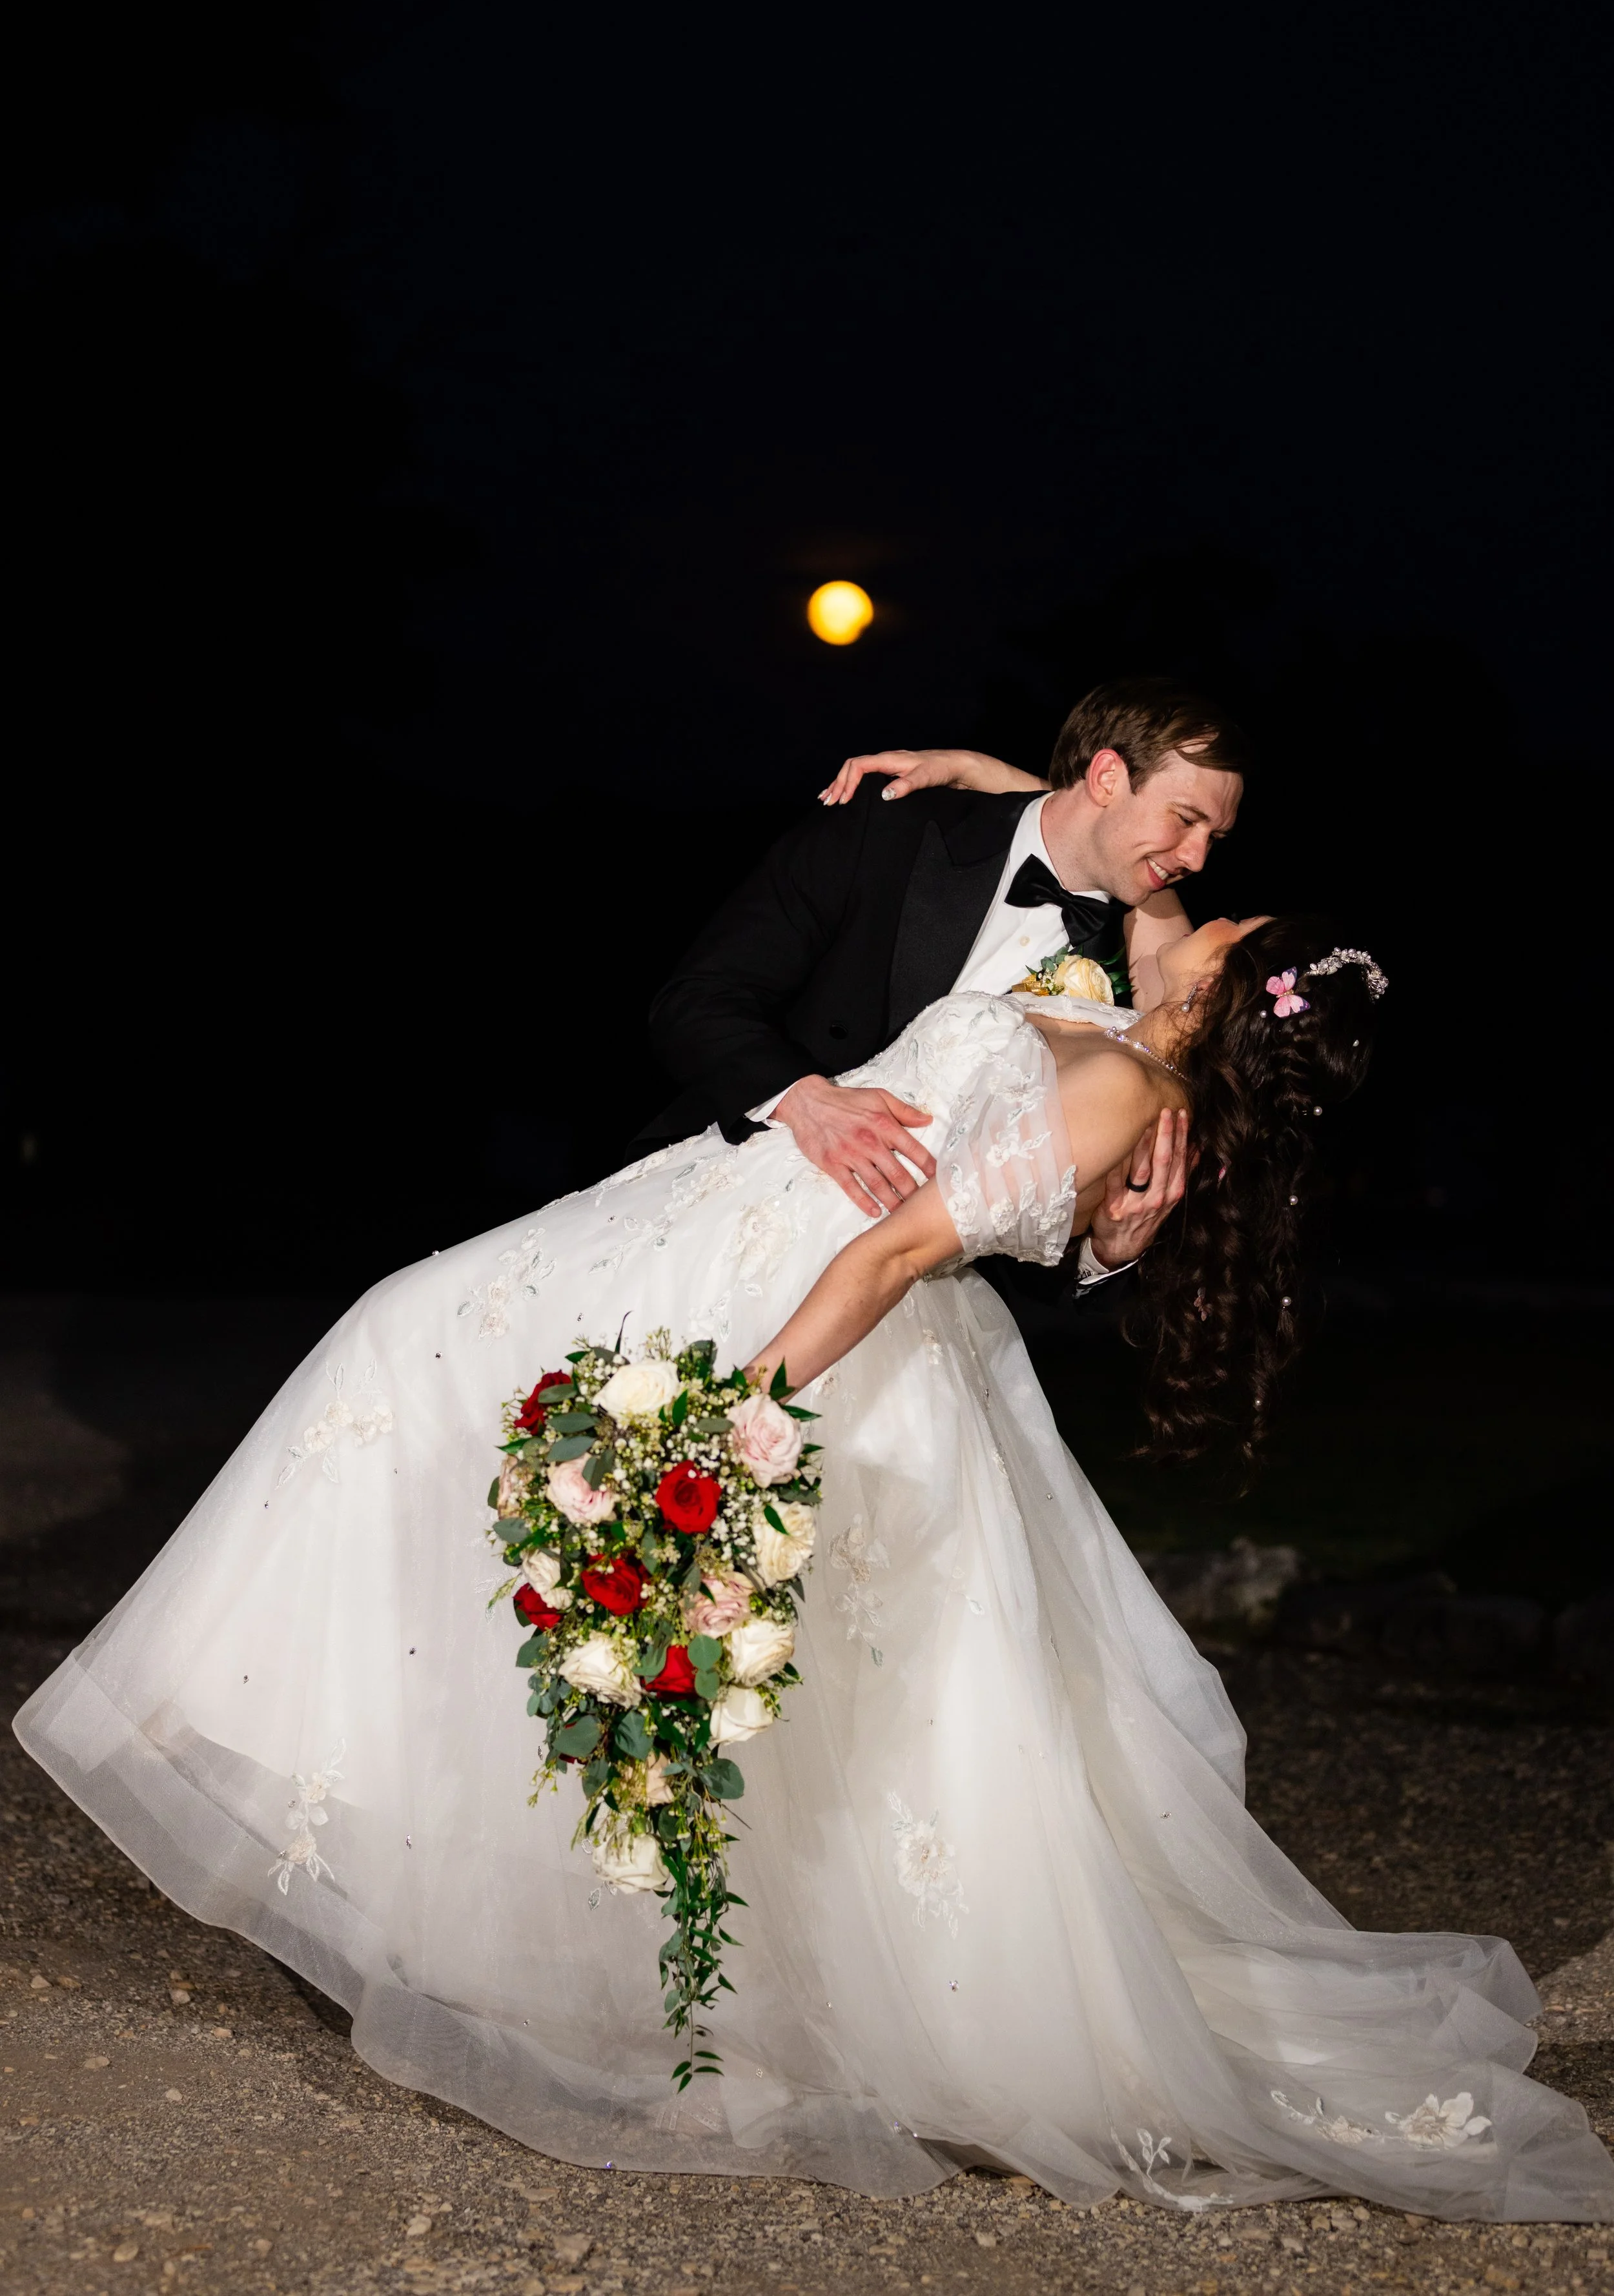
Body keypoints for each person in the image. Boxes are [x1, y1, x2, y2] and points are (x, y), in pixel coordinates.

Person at [17, 919, 1613, 2221]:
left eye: (1218, 919)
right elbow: (1101, 870)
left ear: (1212, 989)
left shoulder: (1129, 1090)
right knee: (414, 1373)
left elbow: (894, 1252)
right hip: (721, 1226)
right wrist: (983, 776)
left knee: (739, 1640)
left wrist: (732, 1420)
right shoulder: (1133, 1037)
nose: (1191, 904)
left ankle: (606, 1951)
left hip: (813, 1312)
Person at [634, 676, 1247, 1295]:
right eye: (1186, 819)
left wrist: (1103, 1253)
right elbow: (694, 1000)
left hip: (910, 1297)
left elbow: (1048, 1206)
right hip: (714, 1218)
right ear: (1108, 778)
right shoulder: (895, 829)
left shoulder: (1148, 968)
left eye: (1214, 839)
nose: (1197, 858)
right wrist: (801, 1098)